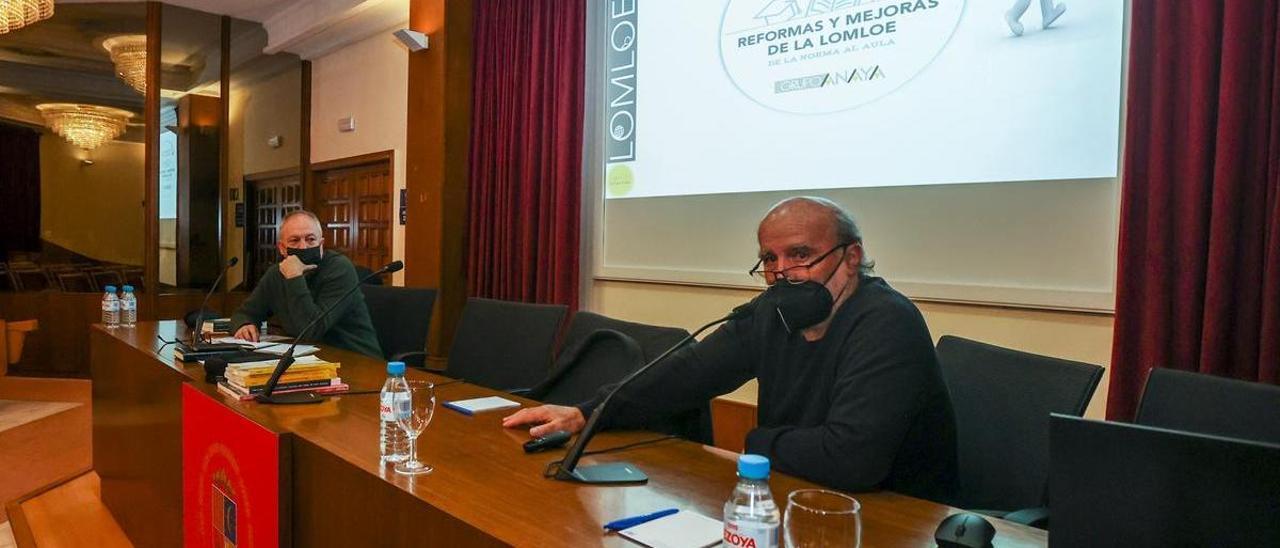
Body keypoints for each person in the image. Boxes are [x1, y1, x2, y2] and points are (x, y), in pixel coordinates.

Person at [503, 197, 957, 500]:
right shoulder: (772, 312)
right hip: (794, 493)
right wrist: (588, 412)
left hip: (894, 515)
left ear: (851, 257)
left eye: (801, 255)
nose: (783, 273)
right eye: (770, 259)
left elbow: (850, 460)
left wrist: (756, 440)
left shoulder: (886, 321)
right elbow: (688, 374)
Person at [229, 210, 382, 358]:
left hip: (355, 360)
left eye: (310, 239)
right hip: (309, 360)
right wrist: (244, 324)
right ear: (282, 248)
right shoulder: (276, 274)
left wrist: (295, 277)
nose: (303, 247)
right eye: (295, 241)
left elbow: (311, 330)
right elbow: (244, 313)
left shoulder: (339, 269)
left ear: (321, 244)